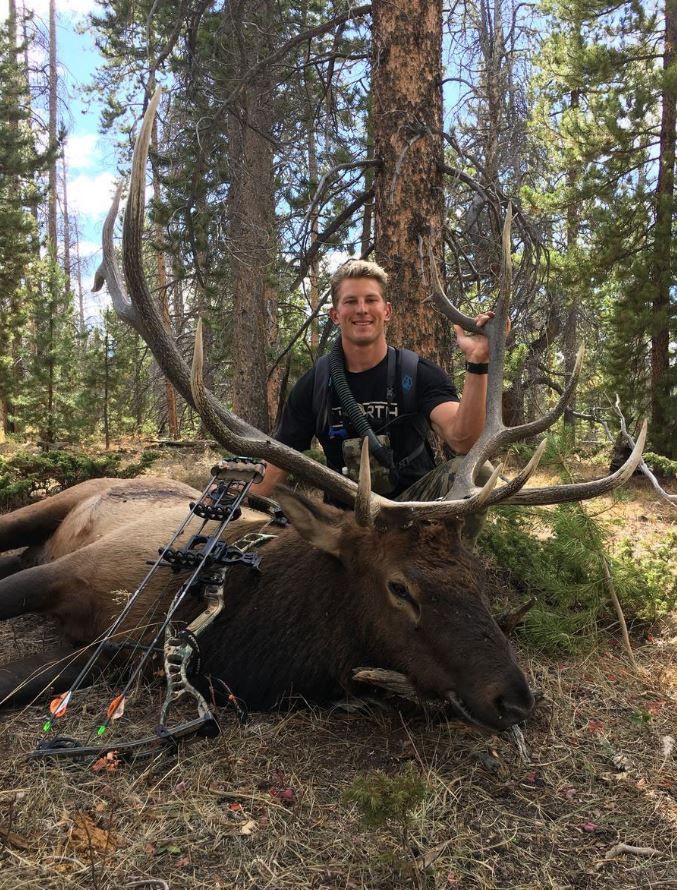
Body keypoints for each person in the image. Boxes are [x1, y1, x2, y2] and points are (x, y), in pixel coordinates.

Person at [248, 259, 495, 543]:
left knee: (476, 471)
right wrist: (239, 508)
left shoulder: (415, 373)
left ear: (386, 310)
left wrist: (477, 363)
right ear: (335, 315)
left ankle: (446, 567)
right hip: (346, 522)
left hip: (412, 513)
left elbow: (463, 440)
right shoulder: (314, 384)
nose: (362, 309)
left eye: (370, 300)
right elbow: (280, 460)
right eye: (351, 301)